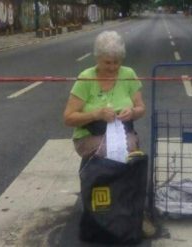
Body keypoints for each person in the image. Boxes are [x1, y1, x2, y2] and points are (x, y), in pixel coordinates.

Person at [63, 31, 155, 237]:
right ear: (97, 58)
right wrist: (96, 113)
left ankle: (132, 211)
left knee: (132, 153)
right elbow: (68, 118)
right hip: (88, 136)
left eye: (117, 62)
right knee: (114, 153)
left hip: (123, 133)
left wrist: (132, 112)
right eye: (107, 63)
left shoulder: (128, 74)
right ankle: (103, 211)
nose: (113, 68)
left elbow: (141, 108)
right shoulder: (86, 78)